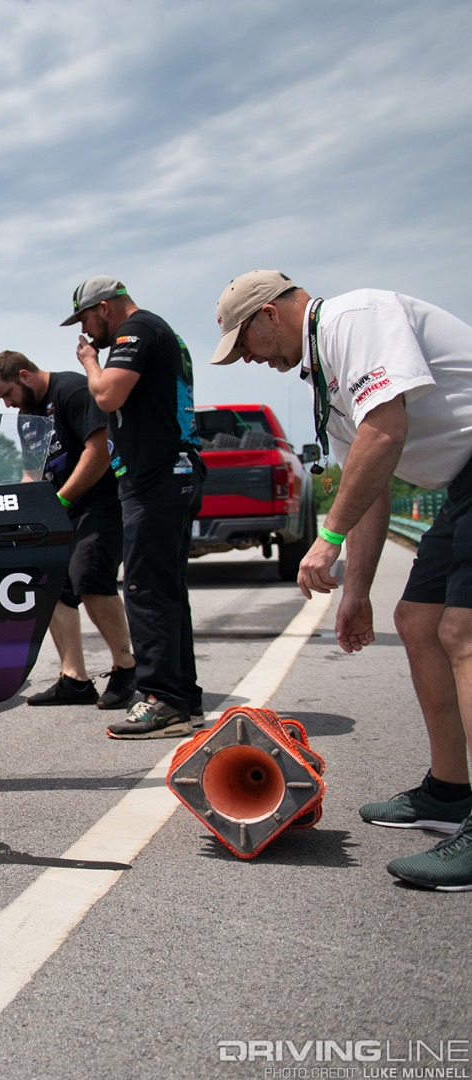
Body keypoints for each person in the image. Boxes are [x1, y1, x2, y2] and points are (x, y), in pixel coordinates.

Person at [212, 269, 472, 891]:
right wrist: (356, 590)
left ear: (272, 312)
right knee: (417, 622)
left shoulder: (357, 318)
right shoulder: (327, 376)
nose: (250, 358)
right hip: (462, 483)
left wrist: (325, 542)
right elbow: (371, 481)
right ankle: (449, 792)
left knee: (462, 630)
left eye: (245, 341)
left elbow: (386, 432)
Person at [62, 276, 206, 738]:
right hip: (170, 475)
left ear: (104, 308)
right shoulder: (162, 333)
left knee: (146, 590)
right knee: (166, 591)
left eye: (85, 319)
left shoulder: (136, 331)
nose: (86, 332)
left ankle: (162, 699)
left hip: (155, 478)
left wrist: (89, 362)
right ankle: (183, 699)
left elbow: (106, 395)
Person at [0, 350, 137, 710]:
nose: (7, 404)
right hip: (60, 510)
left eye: (7, 394)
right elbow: (31, 472)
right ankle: (75, 680)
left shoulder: (72, 390)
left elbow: (97, 451)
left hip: (99, 504)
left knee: (90, 576)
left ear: (24, 375)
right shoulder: (27, 418)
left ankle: (126, 668)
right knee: (51, 584)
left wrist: (62, 501)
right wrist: (23, 511)